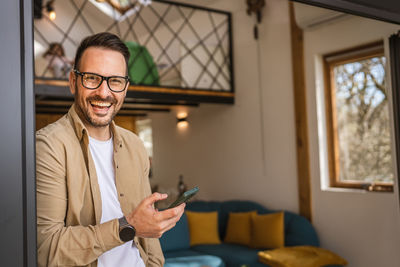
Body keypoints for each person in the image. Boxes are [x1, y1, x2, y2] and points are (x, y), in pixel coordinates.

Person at [36, 32, 185, 267]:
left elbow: (150, 240)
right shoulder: (49, 146)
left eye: (115, 81)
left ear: (125, 87)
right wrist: (128, 226)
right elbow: (47, 250)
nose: (104, 93)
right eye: (92, 78)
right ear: (73, 81)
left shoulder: (135, 145)